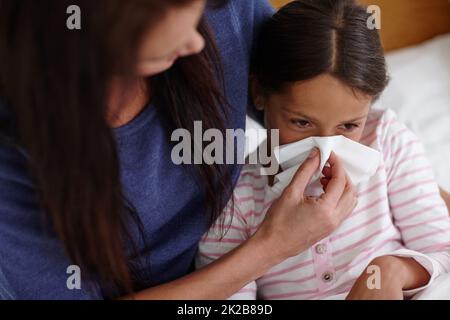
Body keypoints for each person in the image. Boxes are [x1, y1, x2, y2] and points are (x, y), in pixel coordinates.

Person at [0, 0, 357, 299]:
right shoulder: (15, 159)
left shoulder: (225, 11)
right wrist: (272, 246)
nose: (197, 42)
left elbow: (315, 98)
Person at [197, 0, 450, 300]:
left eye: (348, 126)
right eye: (302, 122)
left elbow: (442, 253)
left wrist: (390, 271)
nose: (325, 150)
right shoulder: (236, 197)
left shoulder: (388, 142)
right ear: (259, 94)